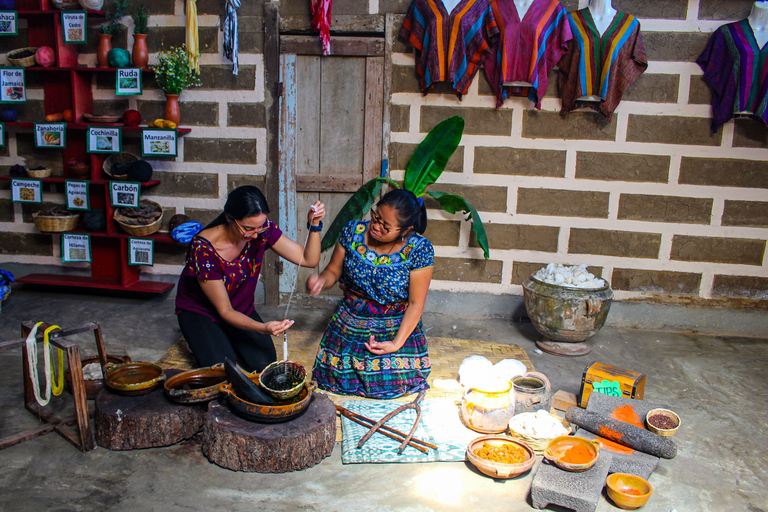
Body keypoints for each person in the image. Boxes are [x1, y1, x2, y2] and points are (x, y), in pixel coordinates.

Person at [175, 185, 325, 372]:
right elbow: (225, 311)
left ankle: (224, 337)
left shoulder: (261, 231)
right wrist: (263, 328)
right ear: (230, 217)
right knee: (223, 370)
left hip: (239, 308)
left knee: (265, 363)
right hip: (202, 312)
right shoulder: (204, 248)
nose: (255, 234)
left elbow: (309, 259)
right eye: (248, 229)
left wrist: (314, 226)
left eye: (260, 227)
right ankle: (201, 336)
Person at [307, 189, 434, 399]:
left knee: (391, 382)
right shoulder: (352, 232)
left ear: (406, 229)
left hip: (395, 322)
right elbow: (333, 271)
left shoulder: (419, 249)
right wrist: (322, 280)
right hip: (353, 317)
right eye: (376, 217)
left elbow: (415, 303)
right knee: (340, 376)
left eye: (386, 226)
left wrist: (396, 343)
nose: (376, 226)